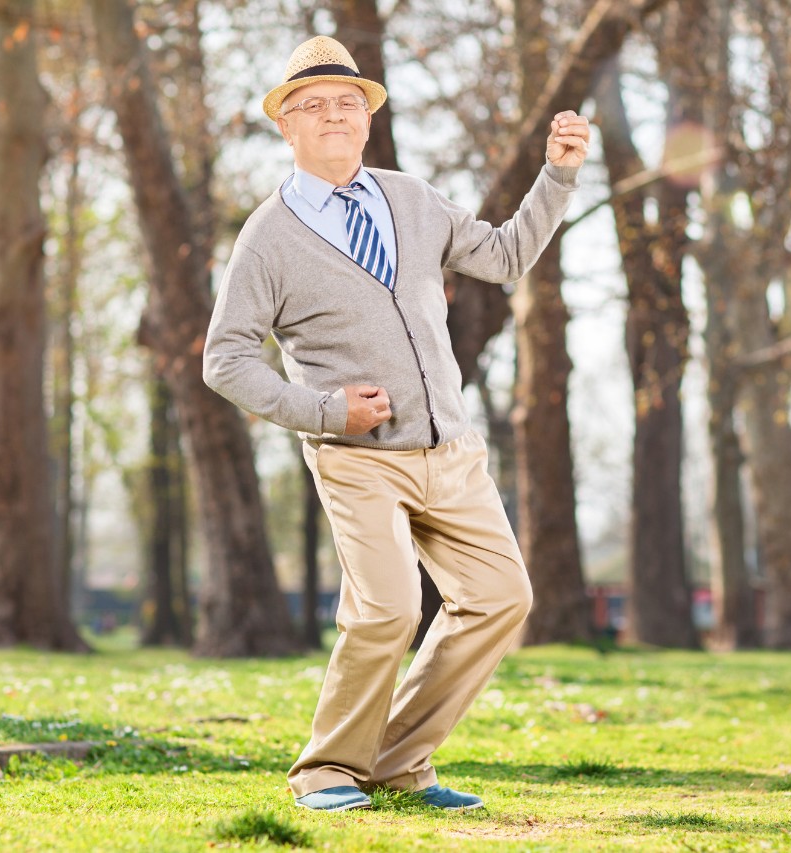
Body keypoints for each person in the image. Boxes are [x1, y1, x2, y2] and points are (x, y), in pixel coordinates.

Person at [202, 35, 589, 813]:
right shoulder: (268, 236)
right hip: (356, 456)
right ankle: (324, 770)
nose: (333, 116)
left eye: (348, 103)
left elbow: (507, 255)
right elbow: (226, 358)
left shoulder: (411, 199)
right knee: (386, 608)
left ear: (367, 118)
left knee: (501, 597)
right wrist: (322, 410)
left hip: (450, 448)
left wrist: (559, 174)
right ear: (287, 126)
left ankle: (396, 760)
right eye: (313, 107)